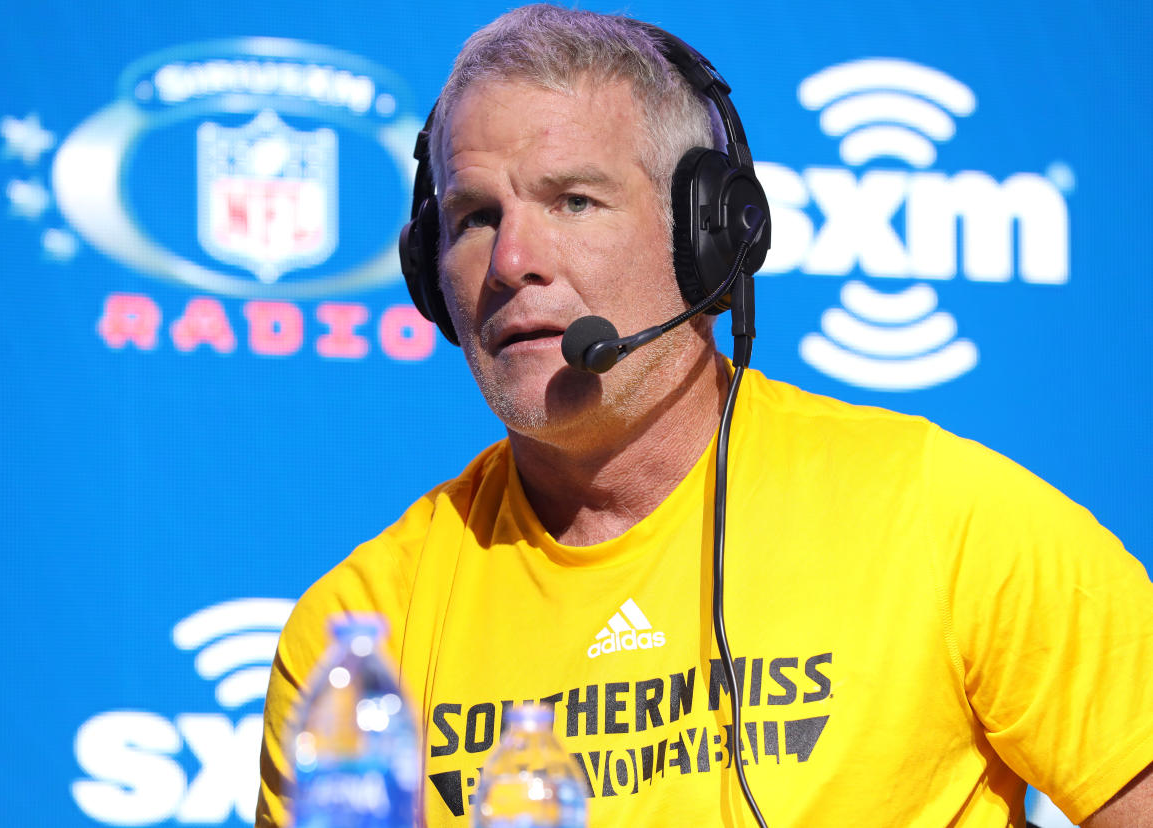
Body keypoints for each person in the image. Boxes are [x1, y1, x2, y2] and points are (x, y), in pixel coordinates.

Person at [257, 6, 1153, 826]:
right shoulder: (359, 637)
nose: (514, 261)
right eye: (475, 217)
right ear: (428, 272)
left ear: (710, 241)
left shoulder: (949, 521)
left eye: (574, 200)